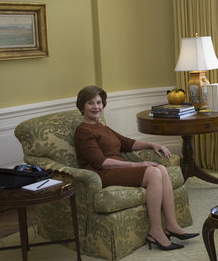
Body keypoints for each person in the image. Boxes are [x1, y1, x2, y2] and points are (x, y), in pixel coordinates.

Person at [74, 85, 198, 251]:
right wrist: (136, 164)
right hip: (103, 174)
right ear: (82, 106)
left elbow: (127, 143)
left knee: (161, 168)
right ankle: (155, 232)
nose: (96, 107)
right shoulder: (83, 131)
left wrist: (151, 144)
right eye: (90, 103)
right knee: (153, 172)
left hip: (117, 169)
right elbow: (100, 162)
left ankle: (171, 225)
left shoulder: (102, 126)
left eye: (99, 102)